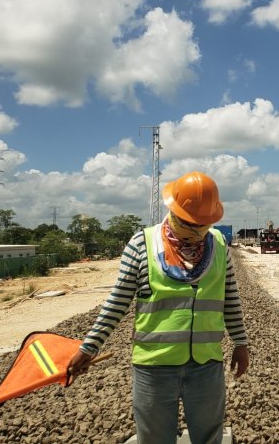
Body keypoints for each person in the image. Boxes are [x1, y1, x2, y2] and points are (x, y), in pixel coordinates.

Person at [67, 171, 249, 444]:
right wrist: (89, 347)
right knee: (154, 438)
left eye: (204, 223)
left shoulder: (219, 246)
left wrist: (241, 342)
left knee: (209, 436)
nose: (198, 230)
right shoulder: (142, 245)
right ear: (175, 212)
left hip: (206, 364)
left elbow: (230, 299)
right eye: (192, 223)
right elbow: (117, 302)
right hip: (154, 366)